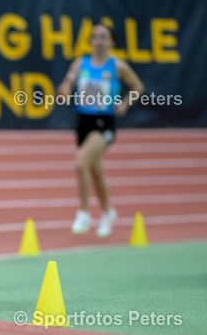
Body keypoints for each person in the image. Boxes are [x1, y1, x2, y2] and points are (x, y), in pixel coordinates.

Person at [57, 22, 144, 237]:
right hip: (83, 122)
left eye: (104, 37)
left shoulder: (117, 66)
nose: (99, 41)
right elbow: (67, 84)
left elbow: (138, 87)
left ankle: (84, 212)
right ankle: (108, 212)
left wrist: (124, 103)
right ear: (90, 41)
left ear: (111, 42)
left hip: (104, 123)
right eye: (95, 37)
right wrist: (64, 91)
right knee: (95, 172)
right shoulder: (81, 64)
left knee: (80, 163)